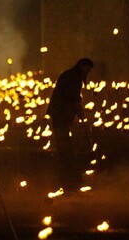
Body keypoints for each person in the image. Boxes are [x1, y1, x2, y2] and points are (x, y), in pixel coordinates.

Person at [46, 58, 93, 191]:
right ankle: (66, 171)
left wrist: (78, 109)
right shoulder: (73, 77)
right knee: (63, 142)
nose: (88, 73)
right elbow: (73, 95)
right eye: (88, 70)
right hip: (60, 112)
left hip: (61, 113)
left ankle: (66, 165)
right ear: (82, 66)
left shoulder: (72, 75)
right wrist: (79, 109)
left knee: (64, 140)